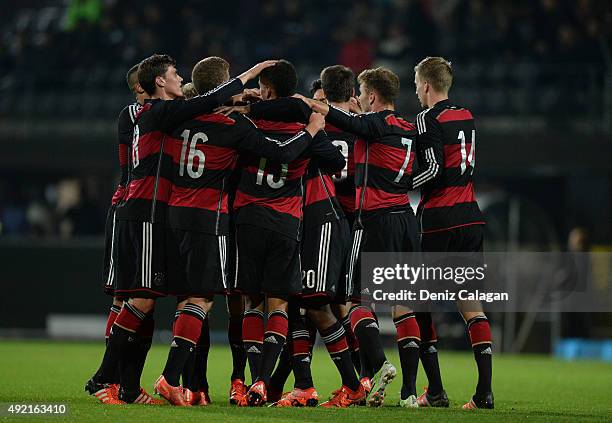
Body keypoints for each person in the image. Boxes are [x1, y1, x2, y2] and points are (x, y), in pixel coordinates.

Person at [86, 53, 276, 404]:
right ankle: (104, 378)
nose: (179, 77)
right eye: (174, 74)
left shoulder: (168, 114)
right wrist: (249, 76)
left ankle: (128, 386)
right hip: (144, 211)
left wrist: (239, 100)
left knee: (147, 299)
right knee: (139, 298)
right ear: (159, 82)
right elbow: (206, 99)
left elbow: (200, 101)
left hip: (159, 215)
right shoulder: (157, 113)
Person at [155, 56, 323, 406]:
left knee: (191, 299)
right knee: (205, 299)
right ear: (223, 86)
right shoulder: (235, 128)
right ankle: (174, 378)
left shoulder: (177, 116)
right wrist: (311, 129)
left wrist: (241, 103)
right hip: (211, 219)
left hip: (173, 216)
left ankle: (195, 385)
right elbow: (281, 151)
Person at [301, 66, 420, 407]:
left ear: (371, 95)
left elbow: (350, 122)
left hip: (374, 220)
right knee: (403, 303)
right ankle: (409, 392)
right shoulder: (408, 128)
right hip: (406, 220)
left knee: (356, 301)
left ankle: (380, 365)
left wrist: (310, 102)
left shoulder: (373, 124)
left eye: (363, 95)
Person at [232, 59, 345, 407]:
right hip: (286, 223)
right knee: (280, 302)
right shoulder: (303, 125)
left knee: (252, 301)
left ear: (266, 88)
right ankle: (265, 381)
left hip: (248, 217)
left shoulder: (248, 120)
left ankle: (253, 380)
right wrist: (311, 136)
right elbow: (336, 163)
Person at [411, 56, 492, 410]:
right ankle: (484, 393)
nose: (416, 91)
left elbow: (432, 170)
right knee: (470, 305)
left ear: (427, 85)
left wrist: (400, 183)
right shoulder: (468, 115)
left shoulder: (427, 118)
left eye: (416, 85)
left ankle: (437, 391)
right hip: (471, 216)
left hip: (439, 218)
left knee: (420, 304)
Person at [87, 62, 161, 405]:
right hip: (130, 210)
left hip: (144, 212)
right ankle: (109, 381)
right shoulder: (135, 114)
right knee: (128, 298)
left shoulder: (149, 113)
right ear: (141, 88)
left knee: (139, 301)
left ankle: (128, 387)